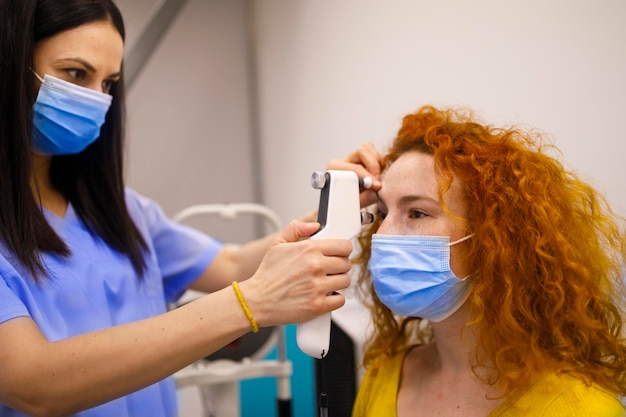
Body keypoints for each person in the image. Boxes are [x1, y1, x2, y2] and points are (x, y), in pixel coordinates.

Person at [0, 1, 382, 416]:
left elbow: (233, 265)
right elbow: (33, 384)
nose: (97, 100)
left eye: (108, 83)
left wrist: (338, 207)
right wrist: (250, 302)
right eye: (76, 74)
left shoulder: (121, 211)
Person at [345, 105, 626, 416]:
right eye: (383, 213)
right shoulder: (385, 375)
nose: (384, 234)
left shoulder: (581, 409)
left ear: (492, 238)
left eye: (417, 212)